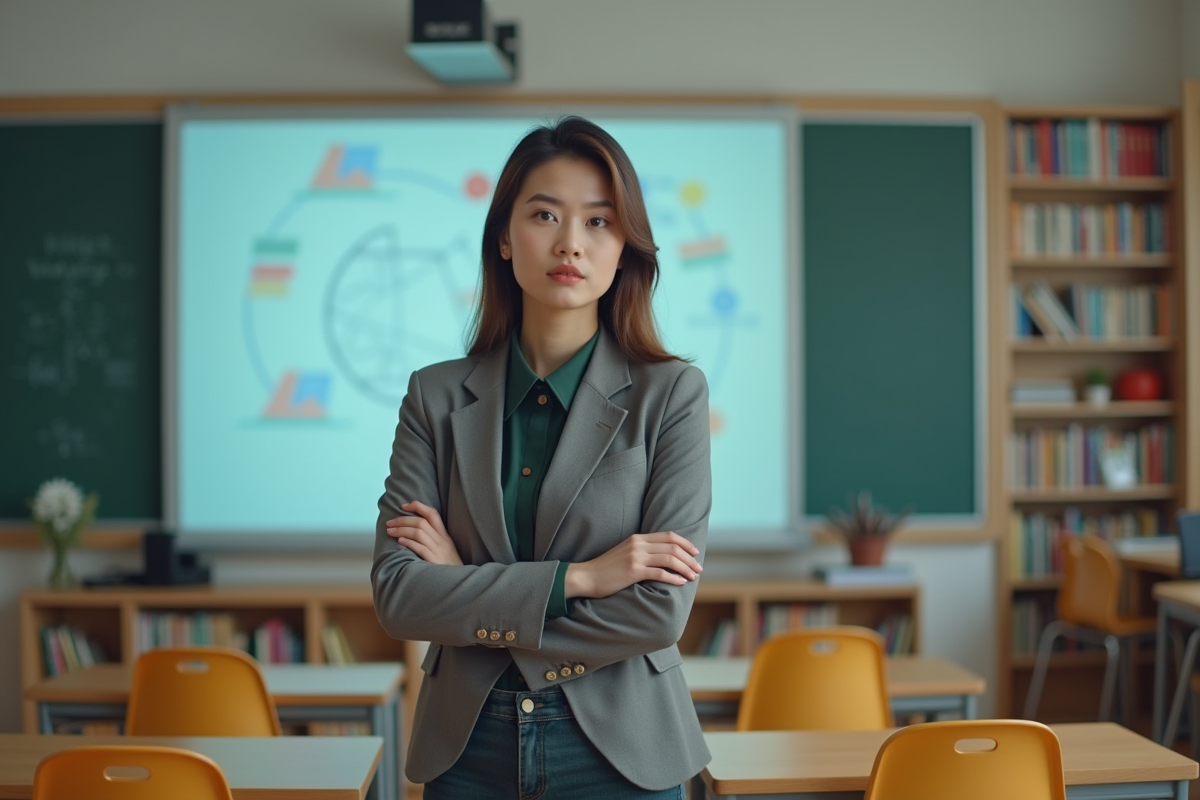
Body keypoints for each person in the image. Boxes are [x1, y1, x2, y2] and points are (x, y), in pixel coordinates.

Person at [371, 115, 712, 799]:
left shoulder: (671, 393)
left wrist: (466, 588)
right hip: (468, 750)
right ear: (504, 236)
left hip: (623, 752)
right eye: (545, 215)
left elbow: (658, 616)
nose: (569, 244)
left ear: (625, 248)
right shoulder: (434, 395)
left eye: (597, 222)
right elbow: (401, 596)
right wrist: (580, 580)